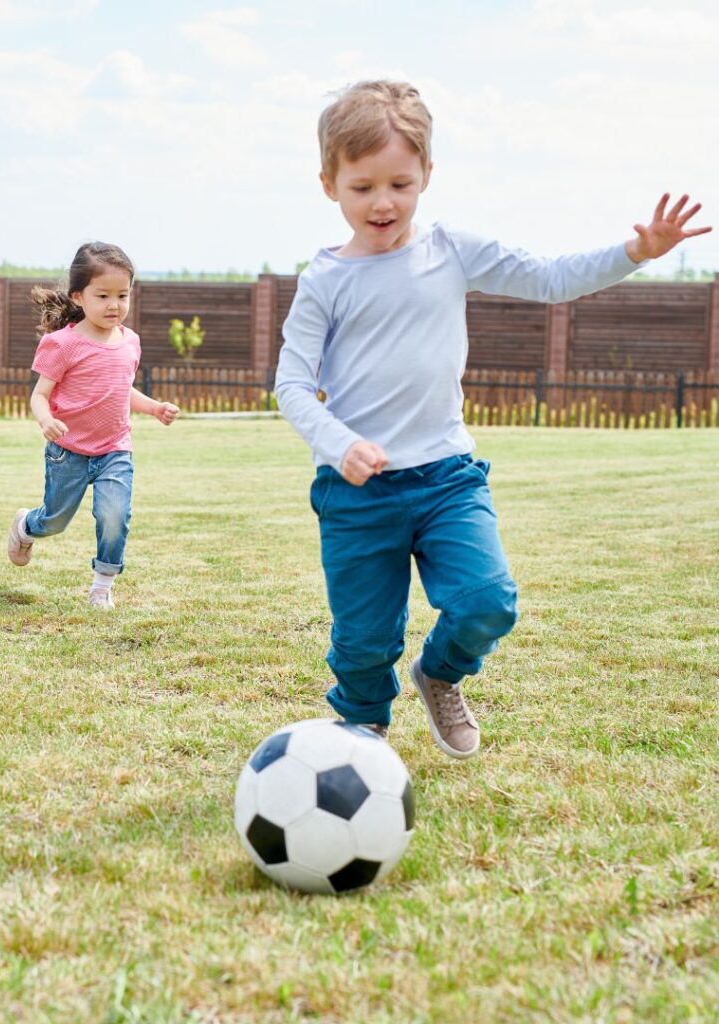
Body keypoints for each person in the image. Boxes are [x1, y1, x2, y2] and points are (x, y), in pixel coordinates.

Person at [275, 80, 710, 759]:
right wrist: (340, 444)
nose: (383, 202)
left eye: (400, 182)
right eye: (362, 187)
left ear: (427, 176)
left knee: (488, 599)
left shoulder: (451, 249)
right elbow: (293, 384)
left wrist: (636, 253)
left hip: (448, 476)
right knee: (363, 639)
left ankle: (439, 673)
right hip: (358, 490)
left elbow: (550, 278)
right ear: (330, 184)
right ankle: (362, 727)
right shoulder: (324, 279)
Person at [7, 242, 179, 610]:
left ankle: (102, 584)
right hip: (68, 452)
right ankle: (26, 526)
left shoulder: (130, 341)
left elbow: (122, 390)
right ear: (78, 296)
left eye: (122, 295)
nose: (114, 305)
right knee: (54, 522)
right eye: (103, 295)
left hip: (115, 449)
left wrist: (154, 408)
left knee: (114, 514)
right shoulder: (62, 344)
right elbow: (39, 395)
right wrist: (46, 419)